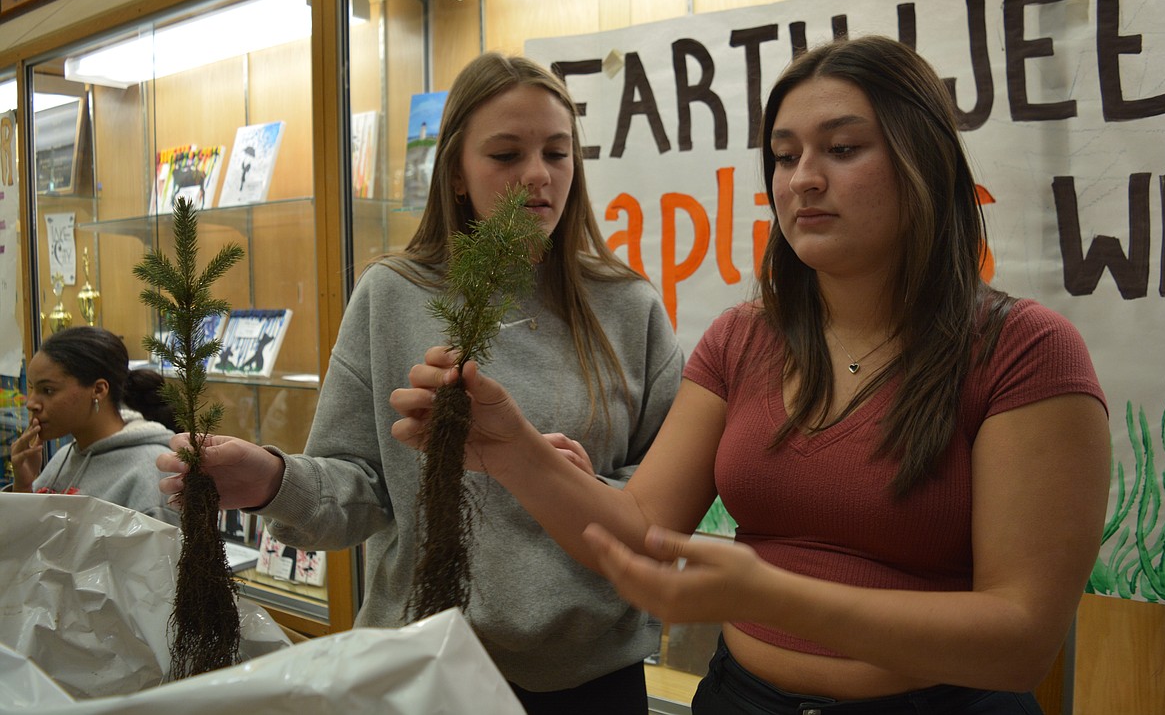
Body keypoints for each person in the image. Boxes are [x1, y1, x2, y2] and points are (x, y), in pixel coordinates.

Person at [390, 36, 1112, 714]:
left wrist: (774, 595)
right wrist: (512, 448)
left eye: (843, 148)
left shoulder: (1025, 352)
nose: (804, 180)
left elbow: (1021, 640)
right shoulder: (743, 338)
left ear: (923, 160)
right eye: (784, 155)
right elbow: (639, 527)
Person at [157, 53, 682, 714]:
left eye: (557, 152)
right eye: (506, 154)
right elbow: (363, 487)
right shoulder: (393, 296)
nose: (537, 177)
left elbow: (674, 501)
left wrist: (581, 486)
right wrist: (272, 480)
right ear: (457, 174)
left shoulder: (626, 307)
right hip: (424, 665)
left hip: (588, 676)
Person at [9, 326, 180, 526]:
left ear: (98, 390)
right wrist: (23, 487)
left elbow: (161, 555)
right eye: (32, 388)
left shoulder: (152, 470)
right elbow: (29, 544)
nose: (31, 403)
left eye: (47, 390)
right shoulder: (63, 457)